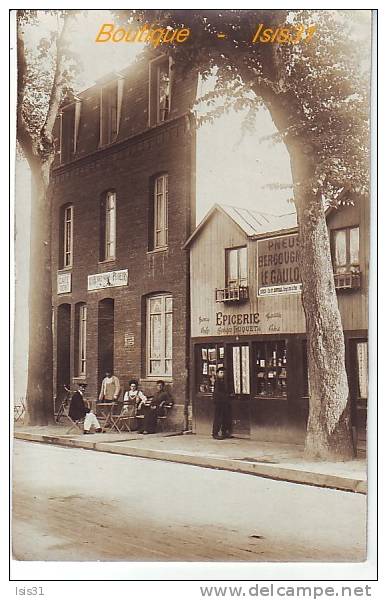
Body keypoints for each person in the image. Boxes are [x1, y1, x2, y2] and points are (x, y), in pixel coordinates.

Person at [212, 367, 232, 440]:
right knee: (218, 418)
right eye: (221, 373)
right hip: (219, 402)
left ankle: (224, 432)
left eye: (223, 373)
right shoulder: (217, 382)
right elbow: (218, 393)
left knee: (224, 417)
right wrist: (226, 396)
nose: (222, 374)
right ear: (217, 374)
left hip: (224, 402)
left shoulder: (223, 381)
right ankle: (215, 433)